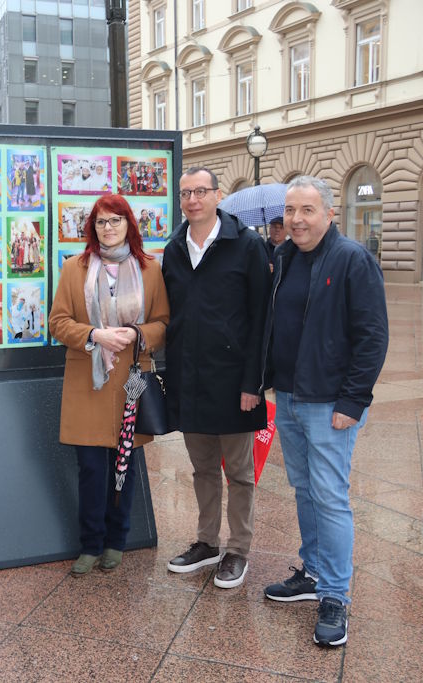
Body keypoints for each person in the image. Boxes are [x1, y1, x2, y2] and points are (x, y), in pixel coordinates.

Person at [261, 176, 388, 647]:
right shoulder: (283, 257)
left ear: (329, 214)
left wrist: (352, 401)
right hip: (290, 397)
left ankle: (335, 595)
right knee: (304, 490)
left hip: (331, 402)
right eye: (290, 211)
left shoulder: (353, 259)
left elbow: (373, 336)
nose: (296, 219)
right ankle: (312, 572)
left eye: (307, 210)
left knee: (330, 496)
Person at [162, 167, 271, 589]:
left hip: (234, 382)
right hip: (190, 379)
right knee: (202, 468)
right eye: (185, 193)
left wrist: (253, 384)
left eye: (201, 191)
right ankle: (207, 543)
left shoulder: (246, 245)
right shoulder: (174, 248)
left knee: (239, 472)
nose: (192, 200)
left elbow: (262, 319)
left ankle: (238, 549)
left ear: (217, 195)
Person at [50, 194, 170, 576]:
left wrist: (136, 334)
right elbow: (58, 322)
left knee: (125, 465)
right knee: (90, 467)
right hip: (88, 377)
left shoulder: (149, 268)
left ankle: (117, 541)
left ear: (128, 225)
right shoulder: (75, 268)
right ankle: (90, 544)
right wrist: (95, 335)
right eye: (101, 222)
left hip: (129, 380)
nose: (108, 228)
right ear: (93, 228)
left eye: (115, 220)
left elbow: (163, 323)